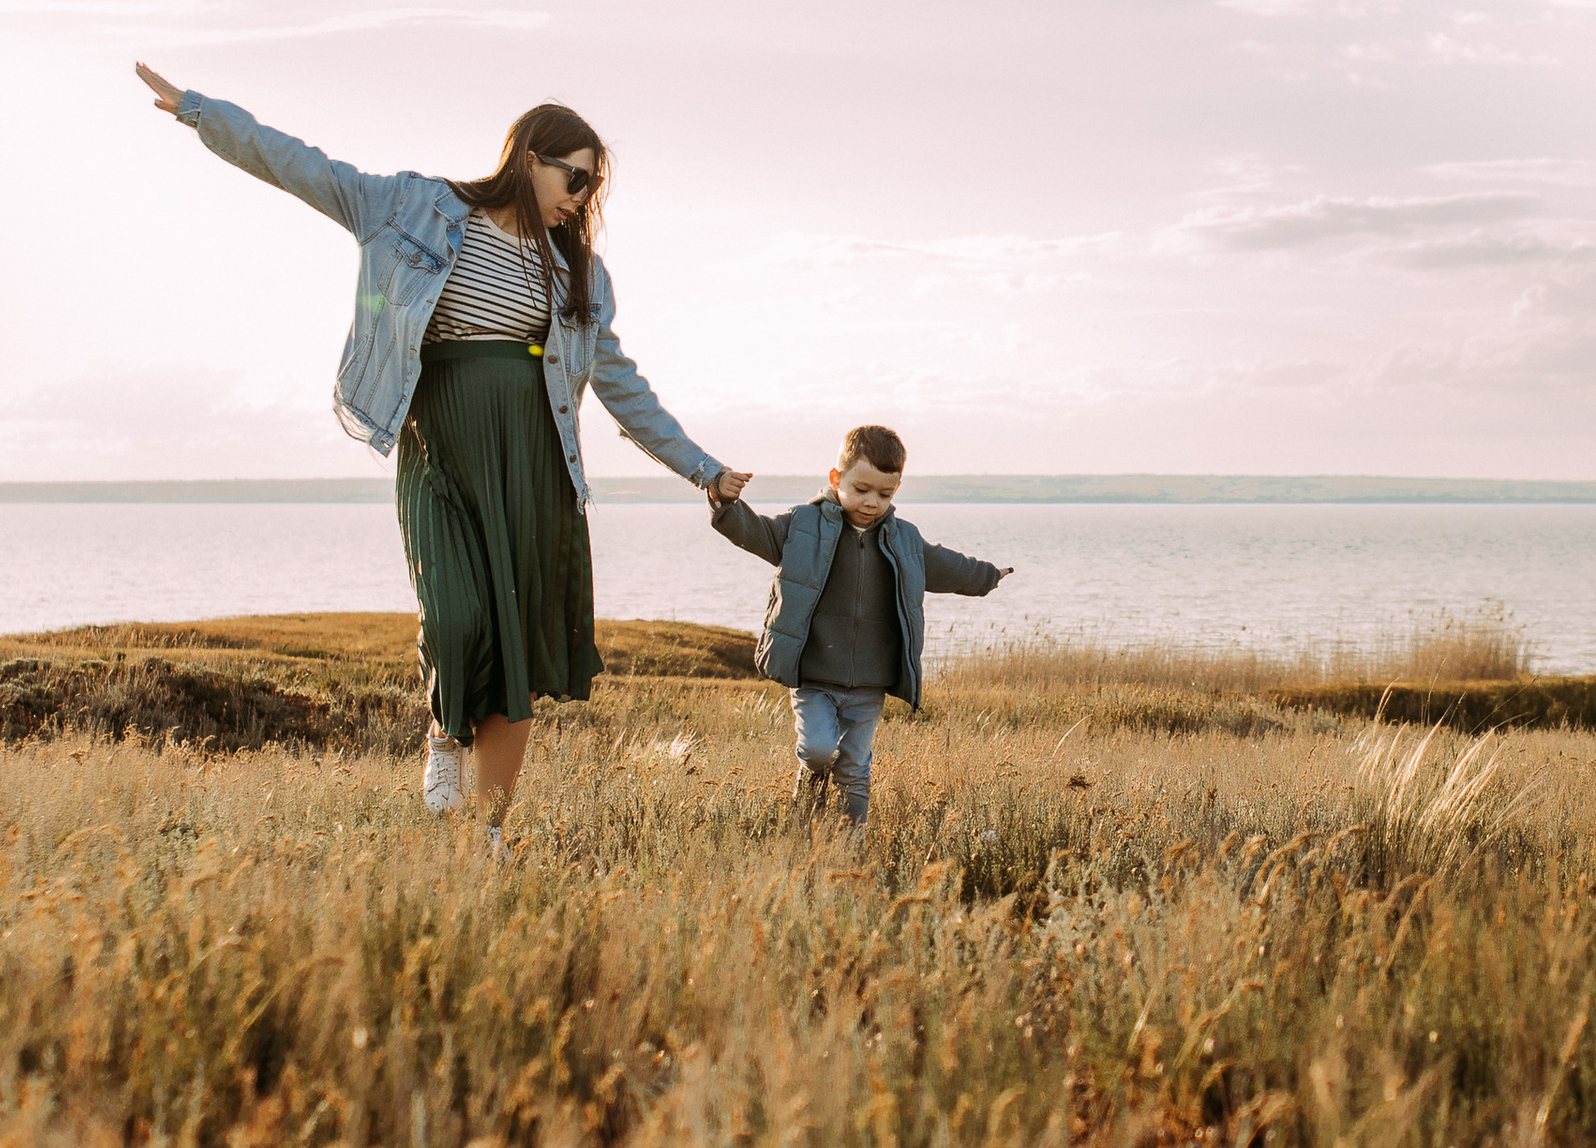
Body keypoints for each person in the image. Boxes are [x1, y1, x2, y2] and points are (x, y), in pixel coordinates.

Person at [136, 61, 748, 853]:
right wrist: (199, 111)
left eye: (591, 188)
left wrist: (702, 467)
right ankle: (441, 734)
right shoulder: (417, 208)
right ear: (529, 155)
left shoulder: (580, 274)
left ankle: (487, 835)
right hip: (440, 445)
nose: (579, 197)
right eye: (573, 177)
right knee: (455, 617)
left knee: (517, 656)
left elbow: (622, 386)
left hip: (531, 465)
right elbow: (303, 167)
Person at [707, 424, 1010, 828]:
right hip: (813, 675)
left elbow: (947, 566)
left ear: (896, 489)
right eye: (862, 489)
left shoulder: (904, 540)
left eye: (884, 494)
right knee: (817, 752)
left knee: (854, 769)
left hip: (870, 681)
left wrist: (987, 575)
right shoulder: (802, 526)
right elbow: (753, 531)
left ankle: (852, 852)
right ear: (836, 479)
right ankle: (805, 821)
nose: (872, 501)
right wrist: (722, 500)